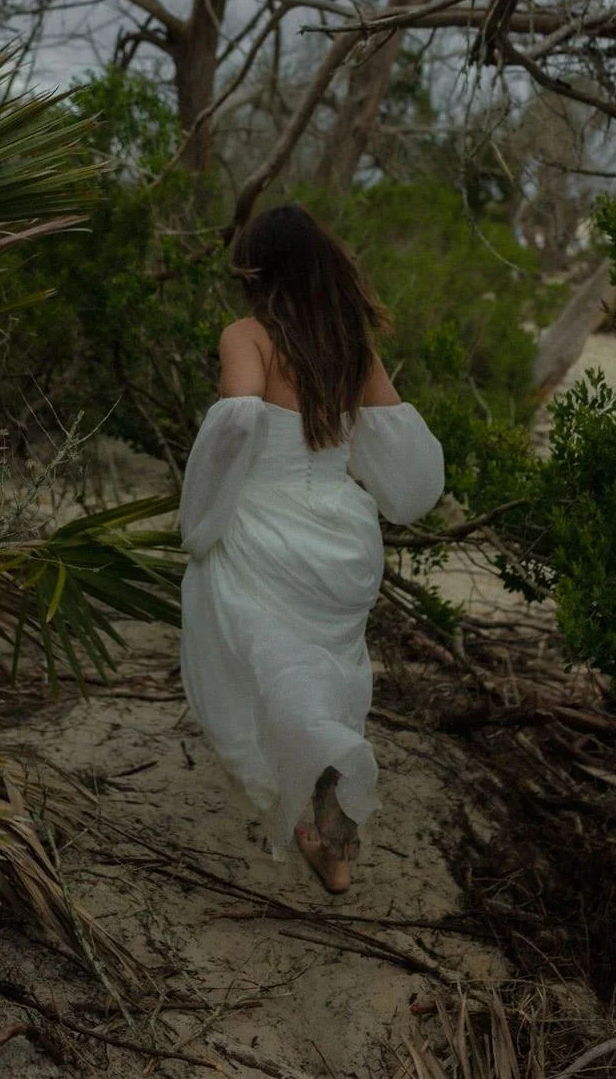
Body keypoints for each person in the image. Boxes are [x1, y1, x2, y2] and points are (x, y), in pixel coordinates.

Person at [178, 204, 445, 892]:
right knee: (323, 674)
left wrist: (203, 519)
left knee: (274, 666)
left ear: (257, 271)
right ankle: (333, 832)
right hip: (341, 539)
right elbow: (402, 454)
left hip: (269, 531)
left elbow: (236, 425)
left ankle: (327, 769)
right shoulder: (350, 343)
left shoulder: (249, 337)